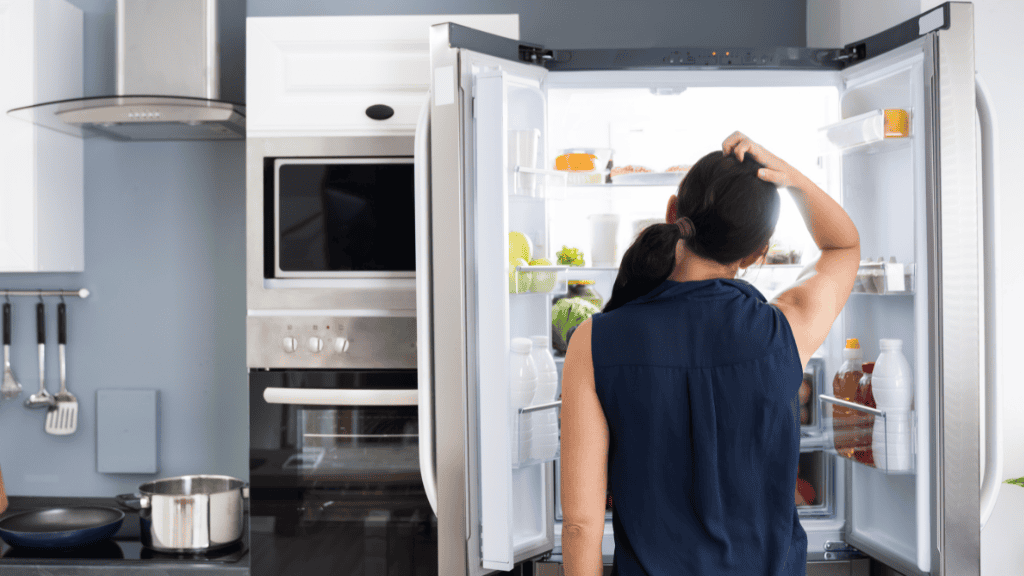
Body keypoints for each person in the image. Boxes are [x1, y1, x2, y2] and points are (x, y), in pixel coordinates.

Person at [560, 132, 860, 576]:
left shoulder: (592, 340)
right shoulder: (785, 329)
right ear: (759, 252)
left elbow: (581, 527)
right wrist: (790, 177)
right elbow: (843, 246)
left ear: (671, 212)